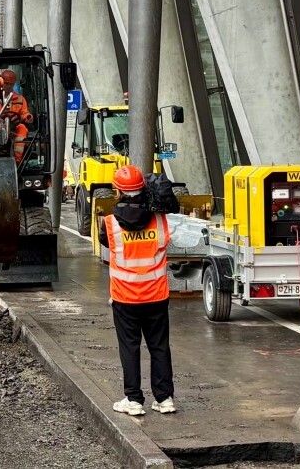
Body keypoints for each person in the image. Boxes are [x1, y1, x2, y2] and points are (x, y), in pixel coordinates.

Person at [98, 165, 177, 416]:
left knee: (129, 348)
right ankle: (165, 399)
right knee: (160, 347)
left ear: (117, 190)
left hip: (125, 298)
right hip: (156, 296)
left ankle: (133, 400)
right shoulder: (160, 220)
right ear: (143, 188)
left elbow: (105, 243)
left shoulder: (109, 224)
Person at [0, 70, 34, 164]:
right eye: (6, 83)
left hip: (13, 126)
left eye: (10, 84)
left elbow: (24, 112)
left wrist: (28, 116)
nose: (8, 86)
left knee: (22, 129)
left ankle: (17, 160)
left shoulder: (20, 99)